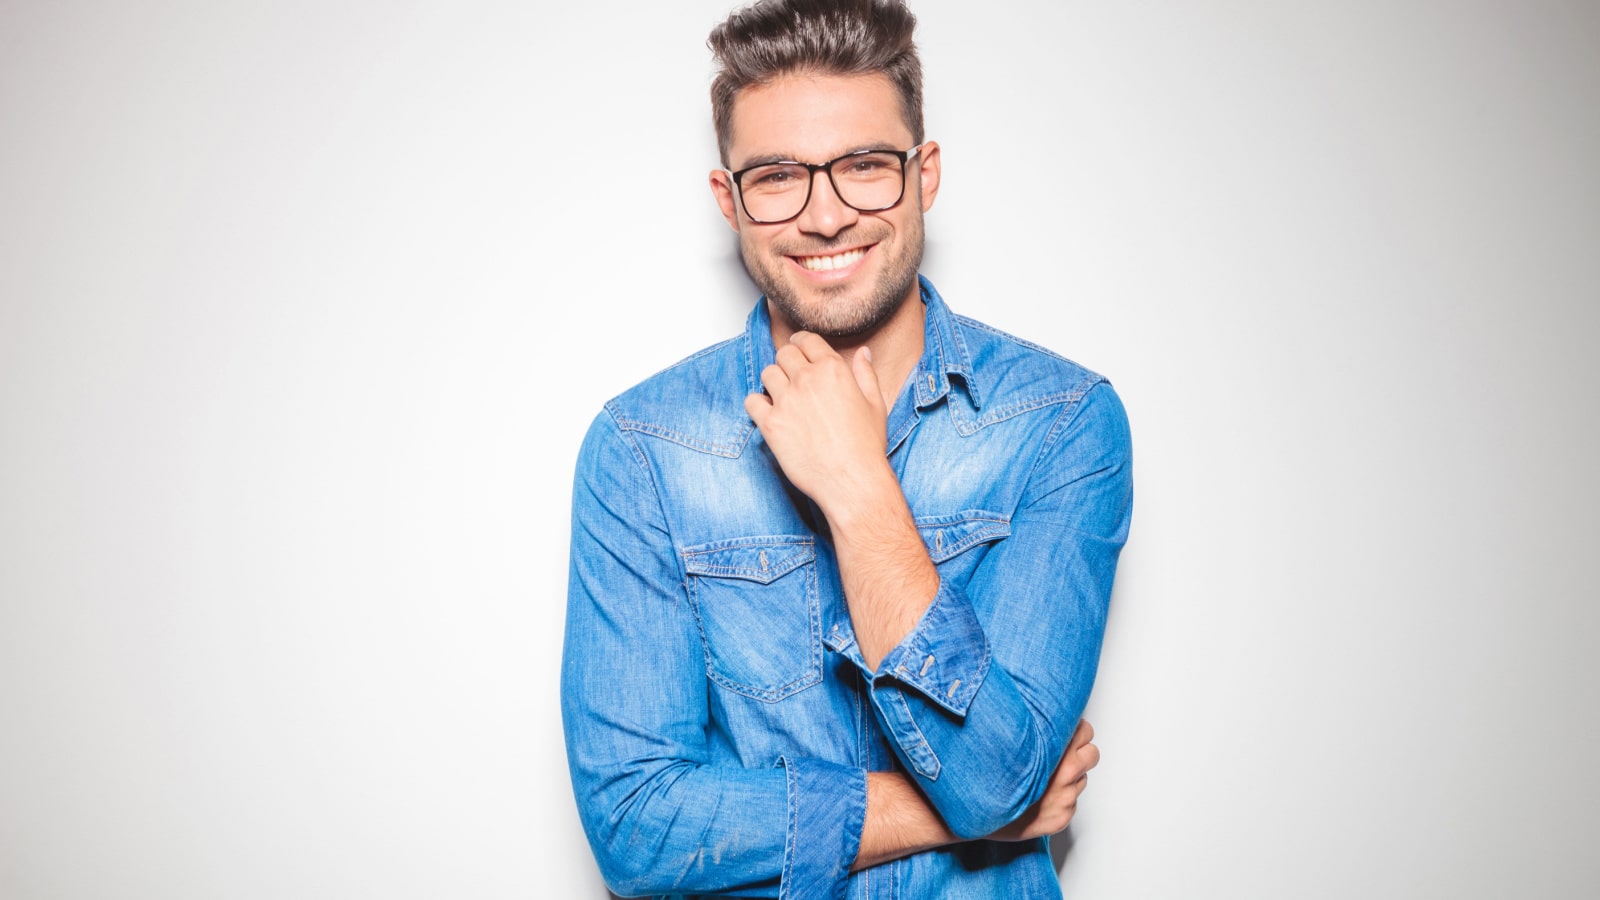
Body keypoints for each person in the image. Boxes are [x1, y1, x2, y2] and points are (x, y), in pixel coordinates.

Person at [560, 0, 1132, 896]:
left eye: (865, 167)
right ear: (730, 200)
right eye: (780, 176)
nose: (826, 217)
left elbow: (992, 776)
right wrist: (956, 810)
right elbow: (636, 829)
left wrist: (859, 486)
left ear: (924, 175)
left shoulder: (1062, 424)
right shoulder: (642, 449)